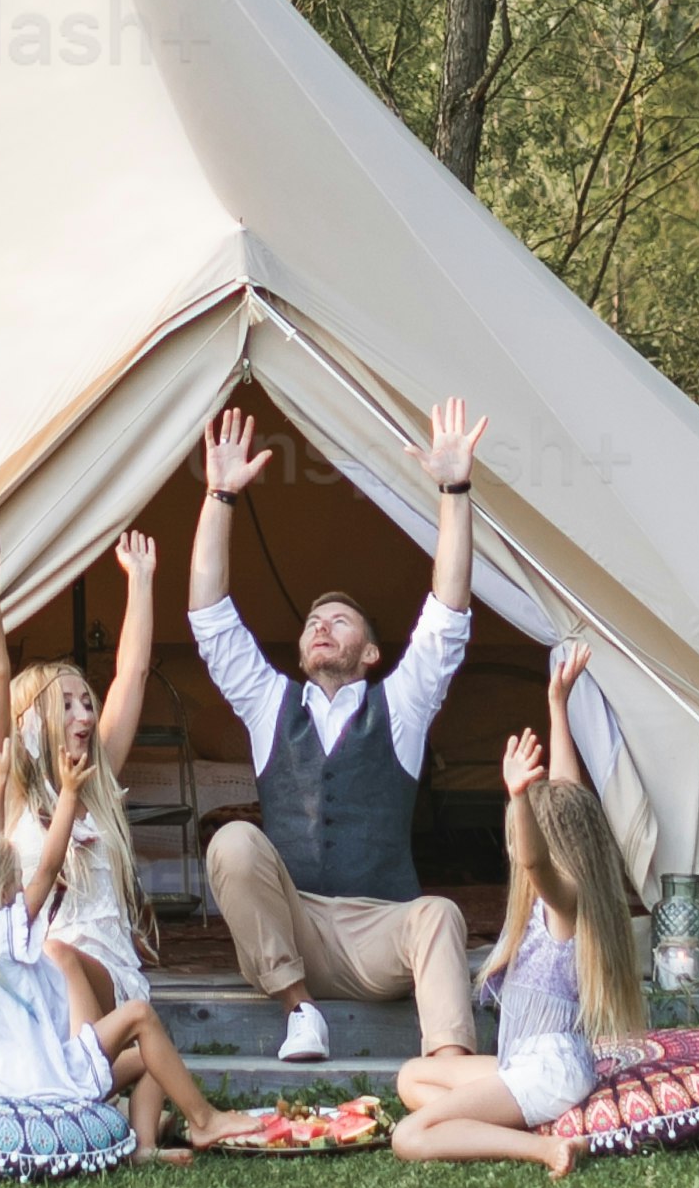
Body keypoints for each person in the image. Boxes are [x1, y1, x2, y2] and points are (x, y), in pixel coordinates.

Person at [188, 392, 484, 1069]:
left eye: (340, 620)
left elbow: (447, 612)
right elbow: (208, 613)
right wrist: (219, 498)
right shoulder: (269, 702)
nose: (321, 625)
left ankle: (449, 1070)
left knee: (439, 914)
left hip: (379, 929)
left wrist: (453, 488)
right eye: (312, 621)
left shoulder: (402, 705)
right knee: (233, 840)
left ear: (371, 653)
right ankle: (301, 1014)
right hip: (288, 931)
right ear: (299, 648)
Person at [392, 645, 649, 1173]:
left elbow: (535, 861)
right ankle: (504, 1122)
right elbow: (568, 794)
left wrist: (517, 797)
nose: (512, 847)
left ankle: (545, 1147)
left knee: (410, 1136)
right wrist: (557, 703)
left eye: (516, 836)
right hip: (528, 1061)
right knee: (412, 1078)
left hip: (548, 1072)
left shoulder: (566, 904)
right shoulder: (566, 893)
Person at [0, 806, 273, 1162]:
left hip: (24, 1084)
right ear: (4, 892)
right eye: (18, 881)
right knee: (140, 1014)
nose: (23, 888)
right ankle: (204, 1120)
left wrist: (0, 781)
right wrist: (69, 793)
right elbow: (48, 870)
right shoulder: (3, 936)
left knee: (150, 1055)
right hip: (53, 1086)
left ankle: (143, 1149)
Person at [0, 505, 156, 1002]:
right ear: (31, 722)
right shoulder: (8, 785)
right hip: (25, 981)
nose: (85, 717)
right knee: (51, 957)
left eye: (87, 703)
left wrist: (142, 582)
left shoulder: (95, 775)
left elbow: (132, 675)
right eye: (66, 706)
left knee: (62, 957)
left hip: (104, 974)